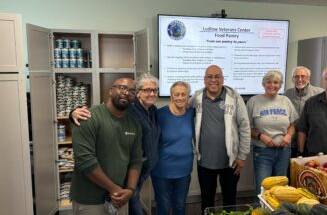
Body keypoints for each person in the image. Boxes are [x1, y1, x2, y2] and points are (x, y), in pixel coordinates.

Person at [70, 73, 161, 215]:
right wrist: (114, 189)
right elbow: (85, 161)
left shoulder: (140, 119)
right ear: (110, 90)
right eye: (122, 88)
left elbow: (136, 159)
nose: (126, 92)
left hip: (122, 193)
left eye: (131, 91)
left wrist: (129, 190)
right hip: (91, 199)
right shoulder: (89, 117)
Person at [191, 65, 251, 213]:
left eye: (217, 76)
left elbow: (244, 127)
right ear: (204, 79)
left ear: (222, 79)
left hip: (230, 162)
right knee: (207, 200)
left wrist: (242, 156)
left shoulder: (234, 97)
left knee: (229, 200)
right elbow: (180, 110)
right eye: (210, 76)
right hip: (204, 161)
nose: (213, 80)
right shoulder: (197, 98)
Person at [246, 70, 298, 196]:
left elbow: (293, 125)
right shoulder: (254, 101)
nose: (272, 85)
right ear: (263, 84)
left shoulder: (285, 101)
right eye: (268, 82)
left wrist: (289, 136)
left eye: (276, 82)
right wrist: (261, 136)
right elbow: (246, 127)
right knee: (263, 188)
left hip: (284, 151)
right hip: (263, 152)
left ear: (280, 85)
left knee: (281, 191)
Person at [151, 81, 194, 215]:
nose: (180, 97)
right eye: (177, 94)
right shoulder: (159, 115)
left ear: (188, 97)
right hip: (161, 170)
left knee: (180, 206)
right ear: (171, 96)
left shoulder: (192, 114)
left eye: (183, 94)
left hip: (184, 170)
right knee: (163, 206)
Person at [284, 66, 324, 157]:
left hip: (312, 143)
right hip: (292, 142)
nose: (300, 79)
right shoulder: (287, 94)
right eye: (296, 77)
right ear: (292, 79)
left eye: (303, 76)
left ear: (308, 79)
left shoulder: (320, 93)